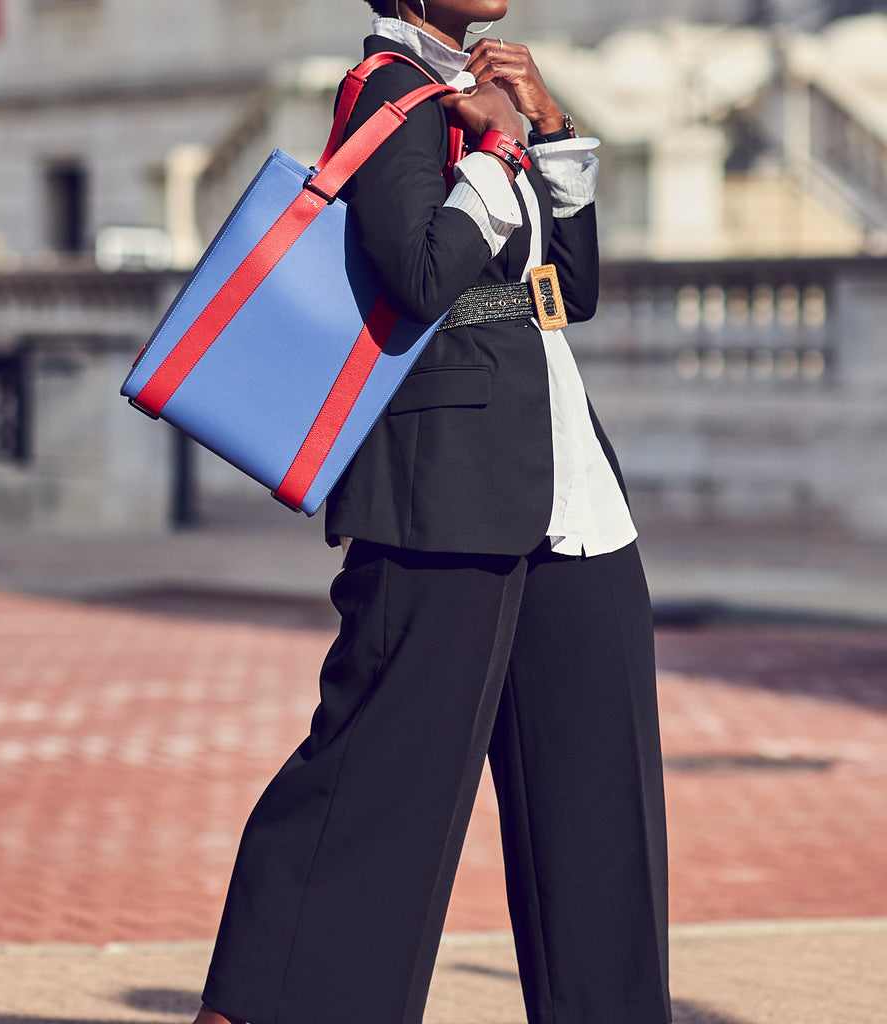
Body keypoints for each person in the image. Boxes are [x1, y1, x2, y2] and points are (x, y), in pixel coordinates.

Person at [194, 2, 671, 1022]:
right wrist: (495, 148)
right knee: (378, 773)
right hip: (443, 483)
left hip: (568, 489)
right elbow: (415, 277)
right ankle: (271, 1004)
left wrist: (548, 132)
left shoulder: (490, 90)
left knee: (599, 794)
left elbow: (566, 294)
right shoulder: (391, 92)